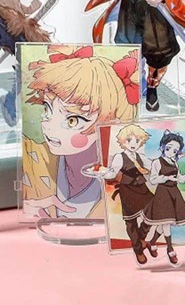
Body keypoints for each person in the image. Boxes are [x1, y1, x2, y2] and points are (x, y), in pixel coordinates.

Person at [20, 45, 139, 220]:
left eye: (72, 120)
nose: (49, 126)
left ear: (109, 121)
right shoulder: (34, 157)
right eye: (47, 109)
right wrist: (28, 208)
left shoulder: (125, 172)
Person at [101, 123, 153, 265]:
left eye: (137, 140)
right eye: (129, 140)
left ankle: (141, 239)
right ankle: (138, 249)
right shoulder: (119, 157)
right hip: (128, 189)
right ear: (123, 141)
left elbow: (152, 167)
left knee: (154, 210)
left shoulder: (141, 157)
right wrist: (105, 173)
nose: (133, 144)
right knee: (131, 221)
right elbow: (112, 173)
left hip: (142, 188)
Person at [141, 131, 185, 266]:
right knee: (166, 223)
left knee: (165, 222)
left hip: (174, 193)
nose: (171, 152)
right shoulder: (157, 162)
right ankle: (170, 249)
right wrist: (165, 178)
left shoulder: (174, 162)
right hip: (163, 194)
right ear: (163, 146)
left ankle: (152, 242)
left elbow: (180, 178)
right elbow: (153, 179)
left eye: (175, 150)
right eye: (169, 148)